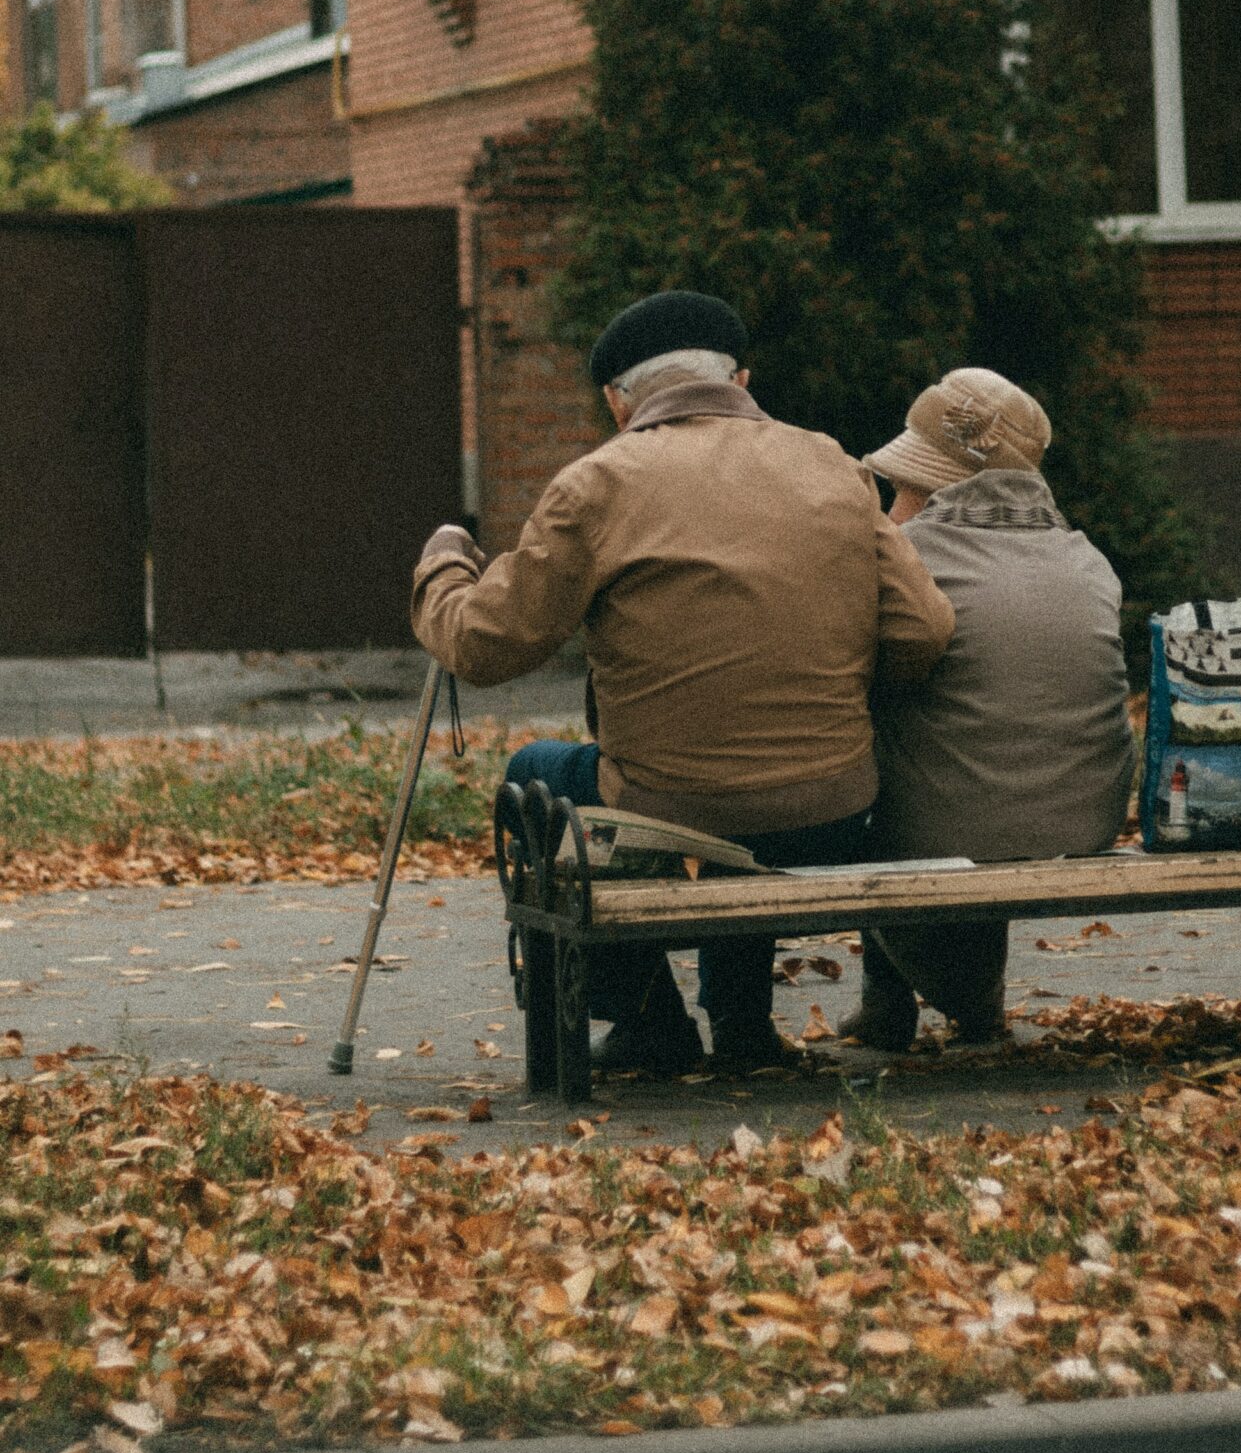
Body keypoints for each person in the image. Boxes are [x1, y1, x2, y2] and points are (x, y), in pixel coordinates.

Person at [411, 290, 954, 1075]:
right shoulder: (831, 464)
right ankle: (740, 1025)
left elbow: (485, 644)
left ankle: (645, 1021)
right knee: (751, 783)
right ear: (740, 377)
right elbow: (923, 630)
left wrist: (441, 565)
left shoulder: (596, 485)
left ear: (615, 400)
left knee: (535, 774)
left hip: (667, 823)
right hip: (834, 812)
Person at [842, 366, 1134, 1051]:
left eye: (907, 489)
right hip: (1087, 815)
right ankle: (943, 1001)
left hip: (953, 828)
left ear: (942, 489)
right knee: (973, 732)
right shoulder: (1085, 558)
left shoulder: (907, 560)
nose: (892, 511)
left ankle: (900, 998)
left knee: (863, 758)